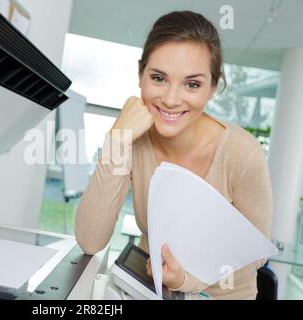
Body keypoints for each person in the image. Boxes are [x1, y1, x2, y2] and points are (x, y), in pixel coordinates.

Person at [74, 10, 273, 300]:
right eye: (158, 78)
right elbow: (90, 241)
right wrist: (117, 144)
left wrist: (187, 280)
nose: (170, 99)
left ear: (212, 88)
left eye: (192, 84)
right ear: (140, 73)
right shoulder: (133, 137)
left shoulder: (242, 153)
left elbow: (255, 255)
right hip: (149, 291)